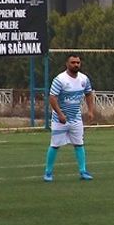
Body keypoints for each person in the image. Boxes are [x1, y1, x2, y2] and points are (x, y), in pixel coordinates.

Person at [44, 53, 96, 182]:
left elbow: (89, 94)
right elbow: (52, 97)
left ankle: (83, 171)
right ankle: (48, 172)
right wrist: (60, 114)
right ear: (67, 64)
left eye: (78, 62)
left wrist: (90, 110)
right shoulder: (60, 79)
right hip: (59, 119)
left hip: (76, 118)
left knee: (79, 144)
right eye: (73, 62)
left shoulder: (84, 79)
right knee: (55, 145)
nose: (76, 65)